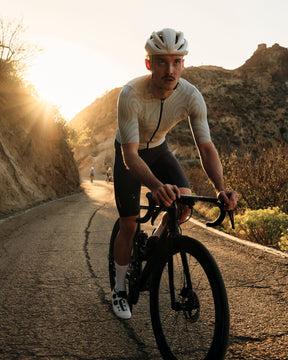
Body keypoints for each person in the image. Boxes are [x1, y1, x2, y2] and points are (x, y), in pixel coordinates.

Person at [112, 28, 238, 319]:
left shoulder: (191, 96)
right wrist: (156, 186)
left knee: (182, 205)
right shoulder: (130, 94)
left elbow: (206, 148)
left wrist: (220, 188)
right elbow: (130, 156)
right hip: (129, 152)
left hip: (158, 149)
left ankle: (155, 242)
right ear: (148, 64)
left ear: (183, 63)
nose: (170, 69)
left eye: (176, 61)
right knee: (129, 225)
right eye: (161, 62)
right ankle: (119, 289)